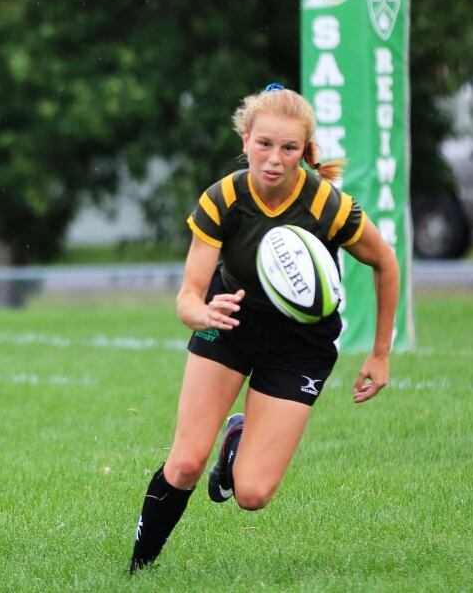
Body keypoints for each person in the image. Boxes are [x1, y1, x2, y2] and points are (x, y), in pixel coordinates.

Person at [128, 84, 399, 572]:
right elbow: (189, 295)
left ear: (304, 150)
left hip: (301, 343)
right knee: (187, 462)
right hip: (228, 322)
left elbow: (386, 263)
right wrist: (199, 313)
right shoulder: (224, 198)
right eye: (265, 144)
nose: (275, 159)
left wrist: (380, 352)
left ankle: (237, 442)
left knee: (252, 494)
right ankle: (138, 570)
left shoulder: (327, 205)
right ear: (246, 139)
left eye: (289, 148)